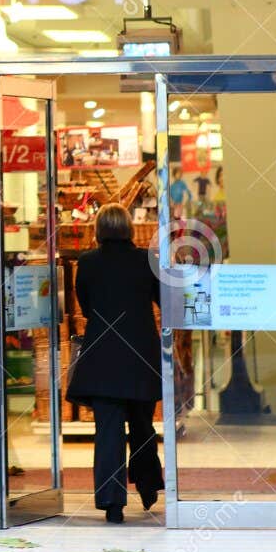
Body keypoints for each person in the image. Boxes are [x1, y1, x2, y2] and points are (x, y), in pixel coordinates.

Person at [67, 203, 164, 522]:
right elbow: (164, 300)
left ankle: (112, 504)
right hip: (141, 355)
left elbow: (85, 304)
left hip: (103, 355)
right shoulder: (147, 261)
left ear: (98, 230)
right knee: (141, 424)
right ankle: (149, 486)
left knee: (107, 431)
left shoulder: (88, 262)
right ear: (129, 229)